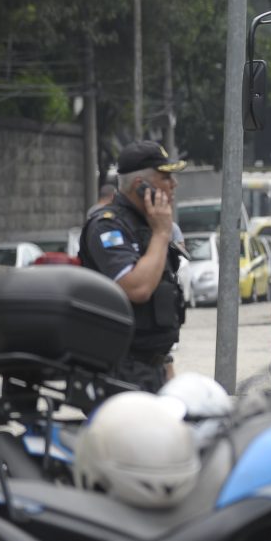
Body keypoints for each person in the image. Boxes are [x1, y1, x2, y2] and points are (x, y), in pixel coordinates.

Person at [80, 140, 188, 391]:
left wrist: (166, 363)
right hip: (119, 370)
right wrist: (162, 235)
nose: (174, 184)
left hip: (151, 367)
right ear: (141, 186)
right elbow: (137, 289)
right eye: (166, 178)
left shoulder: (148, 224)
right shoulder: (107, 226)